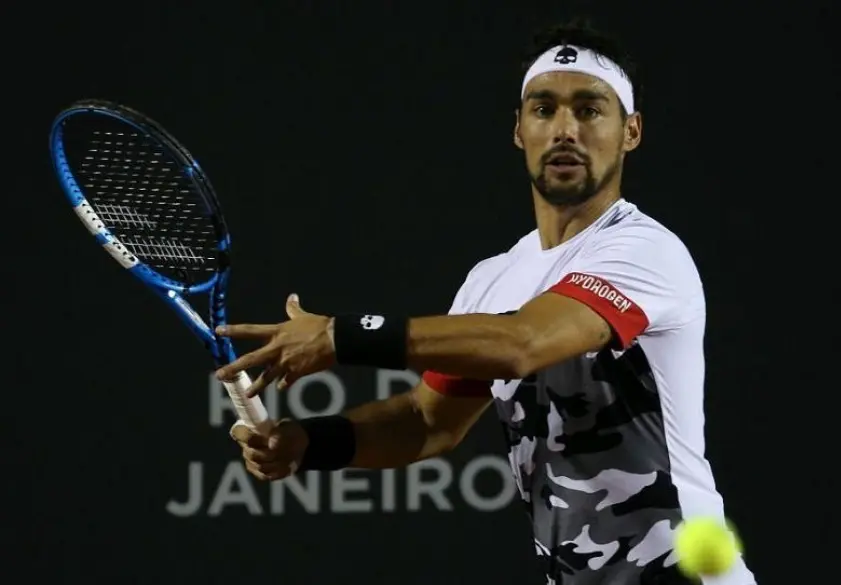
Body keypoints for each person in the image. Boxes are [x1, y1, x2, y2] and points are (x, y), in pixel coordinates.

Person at [215, 19, 757, 585]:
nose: (564, 129)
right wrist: (310, 443)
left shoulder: (646, 250)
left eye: (589, 110)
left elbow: (523, 344)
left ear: (631, 131)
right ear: (520, 130)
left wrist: (341, 335)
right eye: (543, 109)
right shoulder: (492, 280)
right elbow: (427, 422)